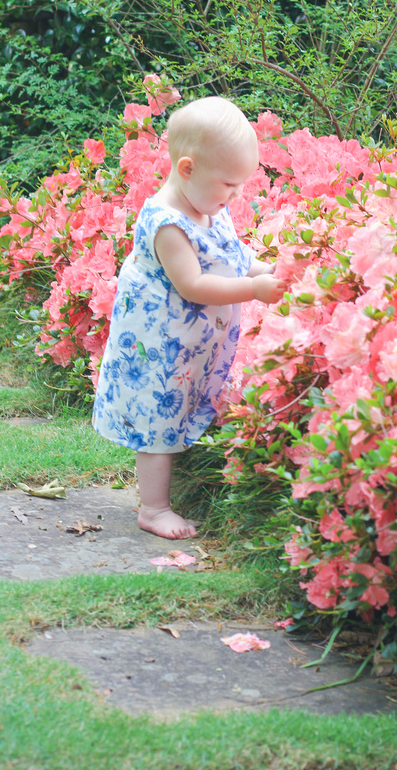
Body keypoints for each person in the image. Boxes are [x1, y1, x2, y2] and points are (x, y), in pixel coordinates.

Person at [92, 96, 285, 539]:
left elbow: (229, 257)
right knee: (159, 423)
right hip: (160, 342)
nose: (237, 195)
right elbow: (193, 285)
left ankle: (168, 490)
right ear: (187, 169)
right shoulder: (168, 224)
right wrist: (254, 290)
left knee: (180, 409)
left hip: (187, 340)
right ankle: (154, 509)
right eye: (229, 184)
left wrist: (263, 270)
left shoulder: (207, 203)